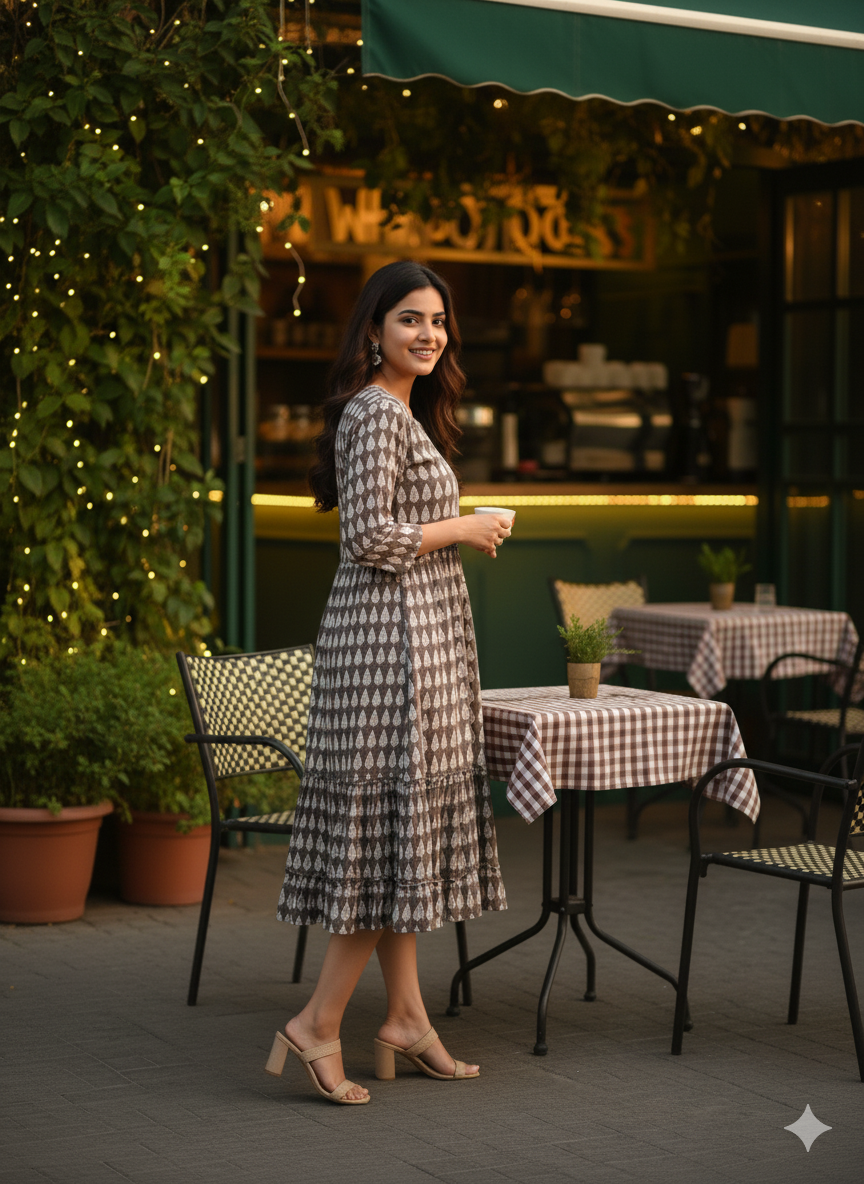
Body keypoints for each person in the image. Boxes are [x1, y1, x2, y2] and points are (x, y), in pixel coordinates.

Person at [269, 260, 513, 1105]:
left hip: (411, 645)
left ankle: (407, 1019)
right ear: (374, 328)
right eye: (410, 319)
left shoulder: (402, 410)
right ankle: (317, 1024)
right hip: (385, 656)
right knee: (383, 843)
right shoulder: (375, 411)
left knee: (398, 837)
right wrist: (467, 525)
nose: (428, 334)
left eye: (438, 322)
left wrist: (455, 526)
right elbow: (370, 537)